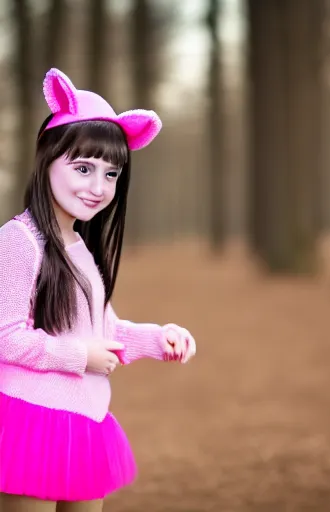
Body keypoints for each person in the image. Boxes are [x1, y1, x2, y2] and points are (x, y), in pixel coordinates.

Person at [0, 68, 197, 512]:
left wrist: (157, 337)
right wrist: (78, 357)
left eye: (111, 175)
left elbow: (102, 329)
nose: (97, 187)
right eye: (83, 168)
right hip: (33, 419)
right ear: (47, 159)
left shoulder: (80, 247)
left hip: (86, 419)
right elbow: (5, 336)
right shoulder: (18, 241)